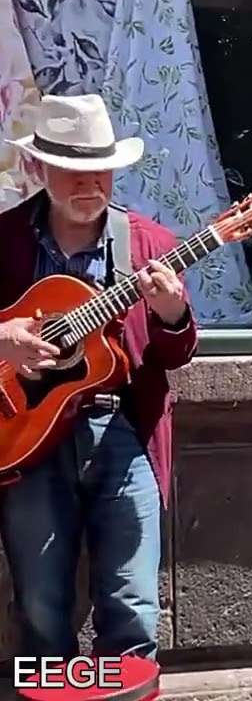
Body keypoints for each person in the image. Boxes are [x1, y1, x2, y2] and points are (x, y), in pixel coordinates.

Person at [0, 94, 197, 658]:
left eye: (100, 170)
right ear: (39, 169)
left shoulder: (148, 246)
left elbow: (177, 350)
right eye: (74, 172)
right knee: (38, 605)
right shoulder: (6, 239)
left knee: (133, 604)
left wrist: (171, 314)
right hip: (27, 442)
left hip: (123, 436)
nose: (91, 185)